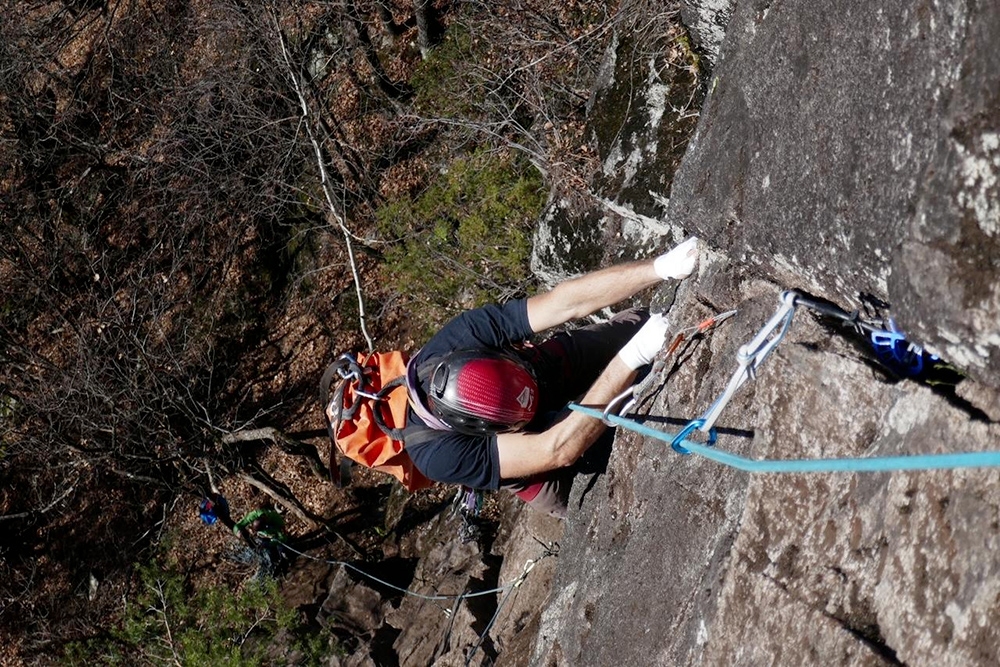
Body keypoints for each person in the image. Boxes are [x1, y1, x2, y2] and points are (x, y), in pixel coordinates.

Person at [403, 237, 700, 517]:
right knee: (589, 499)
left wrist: (662, 267)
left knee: (632, 327)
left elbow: (565, 302)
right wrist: (632, 357)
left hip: (538, 370)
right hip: (534, 459)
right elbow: (556, 450)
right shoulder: (438, 454)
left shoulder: (463, 337)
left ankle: (535, 373)